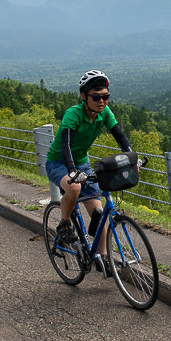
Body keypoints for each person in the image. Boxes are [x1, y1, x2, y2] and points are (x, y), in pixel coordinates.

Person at [46, 70, 135, 244]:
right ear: (84, 96)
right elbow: (66, 145)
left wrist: (132, 158)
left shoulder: (105, 113)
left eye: (105, 96)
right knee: (74, 188)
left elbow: (119, 135)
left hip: (82, 163)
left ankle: (102, 259)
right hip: (58, 163)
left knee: (100, 215)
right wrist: (72, 171)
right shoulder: (73, 114)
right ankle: (64, 225)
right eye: (96, 97)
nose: (101, 101)